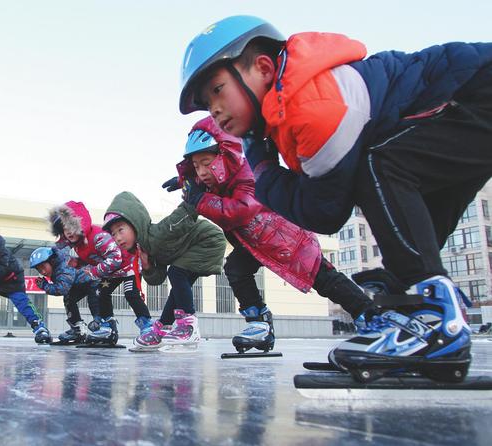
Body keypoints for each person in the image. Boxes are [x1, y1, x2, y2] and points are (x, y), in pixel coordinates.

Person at [178, 15, 492, 380]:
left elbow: (324, 212)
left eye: (217, 89)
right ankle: (417, 318)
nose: (213, 108)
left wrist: (260, 162)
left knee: (381, 166)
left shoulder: (312, 106)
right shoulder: (290, 105)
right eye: (205, 102)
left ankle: (437, 323)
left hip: (478, 93)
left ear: (263, 69)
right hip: (468, 102)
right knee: (406, 197)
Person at [166, 116, 375, 353]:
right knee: (236, 268)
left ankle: (370, 316)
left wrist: (199, 199)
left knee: (324, 278)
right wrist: (185, 179)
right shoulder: (219, 178)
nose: (202, 172)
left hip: (287, 239)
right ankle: (259, 325)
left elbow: (239, 211)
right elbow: (209, 187)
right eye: (196, 166)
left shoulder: (247, 174)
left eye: (205, 163)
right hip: (256, 242)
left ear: (227, 155)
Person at [102, 191, 226, 351]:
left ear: (135, 224)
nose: (117, 238)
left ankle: (188, 326)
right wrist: (147, 266)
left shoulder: (158, 234)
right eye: (113, 234)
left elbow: (182, 216)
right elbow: (157, 279)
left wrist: (193, 195)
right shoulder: (144, 249)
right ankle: (162, 329)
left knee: (176, 273)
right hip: (193, 249)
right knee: (178, 286)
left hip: (208, 240)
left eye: (120, 230)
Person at [48, 201, 150, 345]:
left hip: (128, 266)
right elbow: (95, 258)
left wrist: (94, 272)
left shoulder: (98, 237)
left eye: (72, 225)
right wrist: (79, 263)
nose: (69, 231)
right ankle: (107, 326)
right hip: (112, 272)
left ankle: (147, 326)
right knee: (100, 292)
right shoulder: (79, 246)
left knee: (131, 293)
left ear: (80, 224)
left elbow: (116, 257)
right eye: (65, 228)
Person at [29, 246, 100, 344]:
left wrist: (45, 285)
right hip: (80, 282)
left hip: (94, 280)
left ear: (51, 261)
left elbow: (61, 289)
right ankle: (78, 330)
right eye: (39, 270)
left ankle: (102, 327)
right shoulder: (57, 264)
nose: (43, 272)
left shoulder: (63, 267)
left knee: (95, 302)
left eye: (43, 267)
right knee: (68, 299)